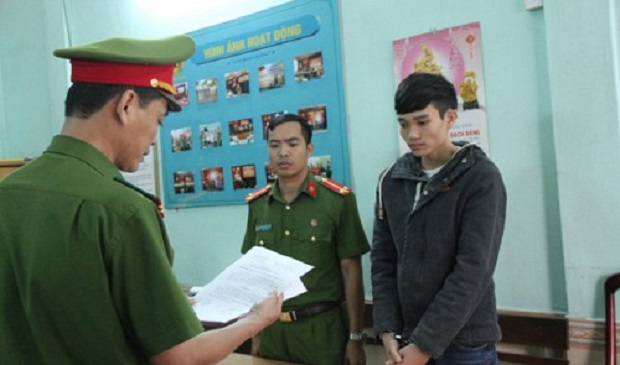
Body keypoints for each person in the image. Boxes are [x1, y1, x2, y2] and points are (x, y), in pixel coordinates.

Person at [0, 35, 283, 365]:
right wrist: (255, 320)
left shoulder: (9, 192)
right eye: (159, 120)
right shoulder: (122, 210)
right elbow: (178, 358)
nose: (154, 137)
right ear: (126, 105)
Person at [371, 72, 506, 365]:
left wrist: (425, 344)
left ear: (450, 119)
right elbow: (383, 261)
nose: (412, 135)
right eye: (404, 124)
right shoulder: (391, 180)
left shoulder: (480, 177)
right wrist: (387, 328)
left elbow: (474, 270)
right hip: (405, 337)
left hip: (464, 343)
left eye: (422, 122)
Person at [242, 113, 370, 365]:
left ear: (309, 149)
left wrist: (355, 337)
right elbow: (253, 273)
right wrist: (254, 333)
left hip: (321, 332)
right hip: (272, 332)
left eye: (292, 144)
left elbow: (351, 271)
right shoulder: (258, 205)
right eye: (274, 145)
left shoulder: (337, 201)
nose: (283, 153)